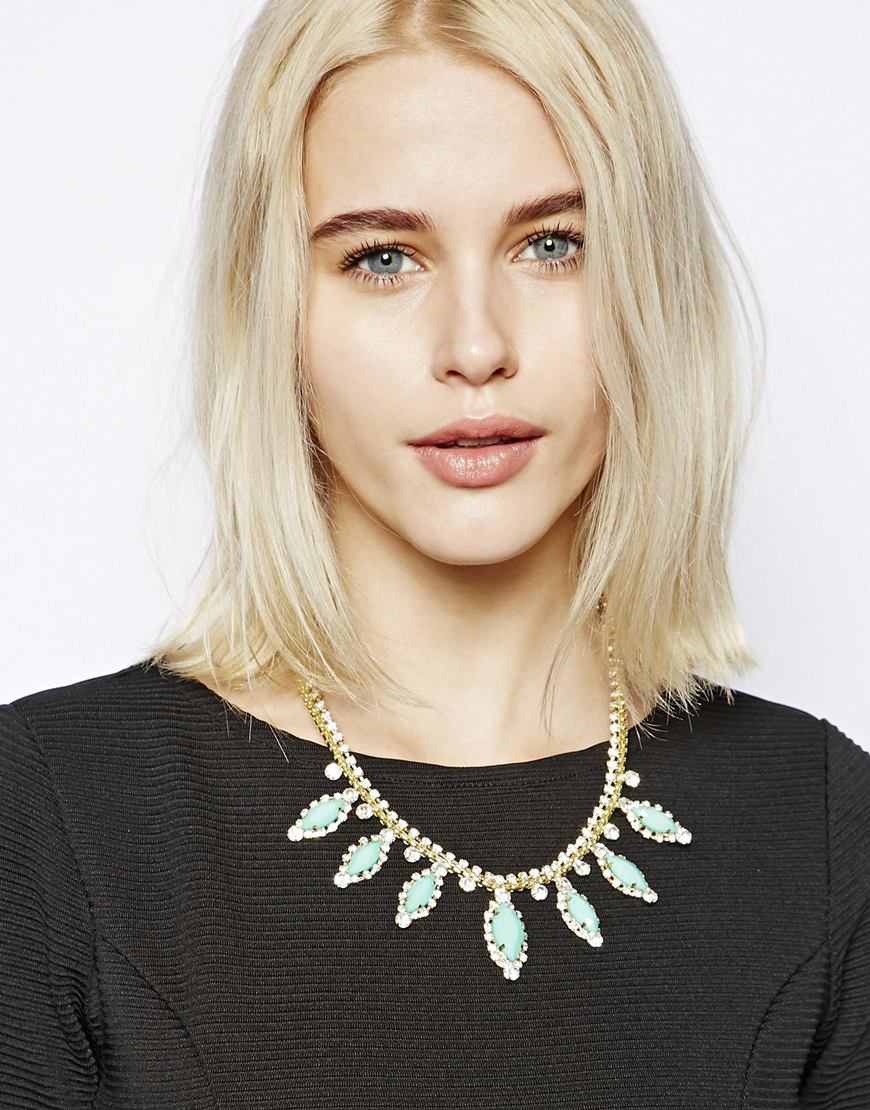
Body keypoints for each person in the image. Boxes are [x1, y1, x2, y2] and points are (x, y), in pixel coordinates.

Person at [2, 0, 867, 1105]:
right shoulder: (56, 816)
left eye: (553, 245)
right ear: (276, 311)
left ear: (651, 280)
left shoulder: (815, 826)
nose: (475, 346)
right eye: (381, 259)